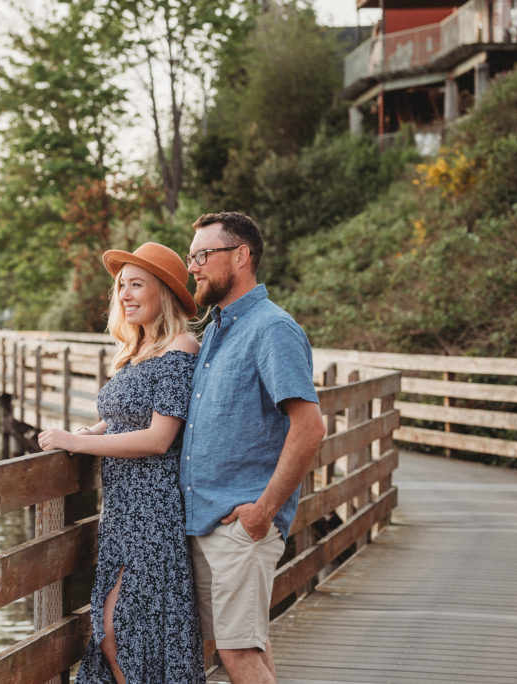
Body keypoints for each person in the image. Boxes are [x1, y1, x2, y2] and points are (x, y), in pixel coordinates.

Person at [37, 242, 205, 683]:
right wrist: (90, 433)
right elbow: (118, 420)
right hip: (122, 513)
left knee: (121, 631)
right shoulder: (139, 350)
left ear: (164, 292)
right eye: (121, 286)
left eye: (137, 285)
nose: (125, 295)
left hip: (153, 512)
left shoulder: (179, 350)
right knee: (118, 631)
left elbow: (158, 438)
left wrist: (78, 440)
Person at [179, 212, 326, 684]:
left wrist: (264, 511)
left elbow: (310, 427)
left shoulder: (272, 329)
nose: (194, 267)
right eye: (191, 257)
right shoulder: (218, 328)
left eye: (203, 255)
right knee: (245, 649)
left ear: (241, 256)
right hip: (206, 520)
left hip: (241, 527)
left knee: (237, 654)